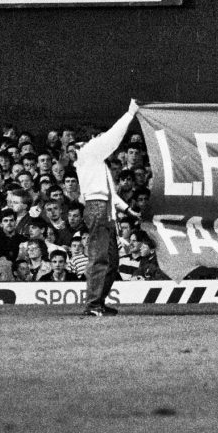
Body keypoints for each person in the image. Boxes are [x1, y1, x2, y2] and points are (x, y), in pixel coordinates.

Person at [76, 99, 143, 316]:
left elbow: (110, 195)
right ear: (93, 138)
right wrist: (130, 114)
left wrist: (128, 211)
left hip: (104, 208)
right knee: (100, 257)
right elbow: (113, 137)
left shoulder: (95, 162)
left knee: (112, 260)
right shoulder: (90, 151)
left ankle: (99, 302)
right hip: (98, 208)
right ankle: (93, 305)